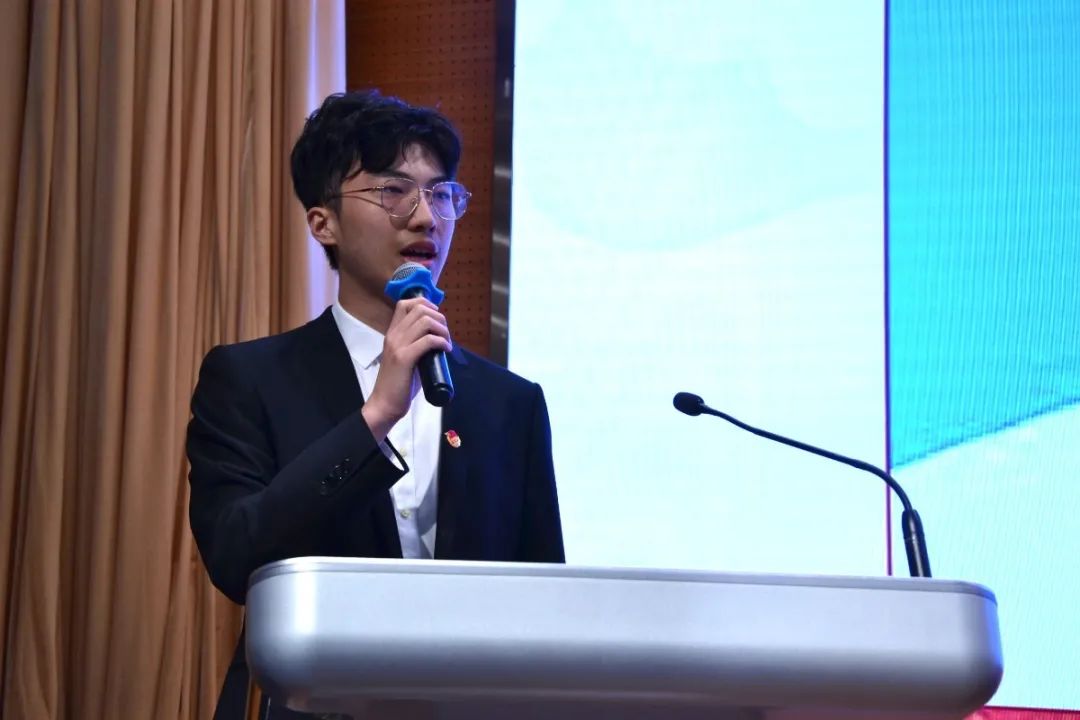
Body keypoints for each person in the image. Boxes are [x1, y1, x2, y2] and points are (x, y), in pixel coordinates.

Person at [186, 90, 565, 720]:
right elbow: (235, 555)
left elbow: (543, 600)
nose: (426, 218)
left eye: (441, 194)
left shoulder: (511, 403)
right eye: (393, 191)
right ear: (323, 223)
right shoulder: (250, 379)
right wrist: (374, 417)